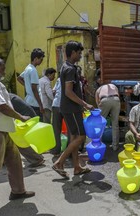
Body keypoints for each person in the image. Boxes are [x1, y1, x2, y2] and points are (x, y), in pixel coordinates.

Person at [0, 57, 35, 200]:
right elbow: (1, 106)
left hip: (3, 129)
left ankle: (18, 191)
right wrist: (20, 117)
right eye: (2, 68)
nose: (4, 70)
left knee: (14, 160)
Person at [52, 40, 93, 179]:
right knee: (81, 137)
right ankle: (59, 162)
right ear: (73, 53)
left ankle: (76, 167)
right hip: (71, 108)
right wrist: (85, 104)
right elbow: (68, 92)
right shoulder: (69, 69)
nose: (81, 55)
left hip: (69, 108)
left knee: (74, 137)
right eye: (79, 52)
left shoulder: (67, 67)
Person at [9, 93, 45, 167]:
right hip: (25, 117)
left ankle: (37, 159)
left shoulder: (4, 98)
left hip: (26, 118)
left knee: (18, 140)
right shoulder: (6, 95)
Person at [17, 48, 45, 121]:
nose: (41, 61)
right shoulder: (33, 70)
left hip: (28, 101)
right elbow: (34, 88)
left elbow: (19, 78)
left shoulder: (28, 68)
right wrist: (41, 105)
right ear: (35, 59)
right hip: (35, 103)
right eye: (41, 59)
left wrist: (26, 86)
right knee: (38, 124)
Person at [95, 73, 121, 151]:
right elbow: (118, 97)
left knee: (100, 123)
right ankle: (115, 146)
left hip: (104, 100)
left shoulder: (98, 89)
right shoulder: (114, 86)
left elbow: (98, 104)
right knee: (115, 124)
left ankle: (98, 144)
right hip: (116, 99)